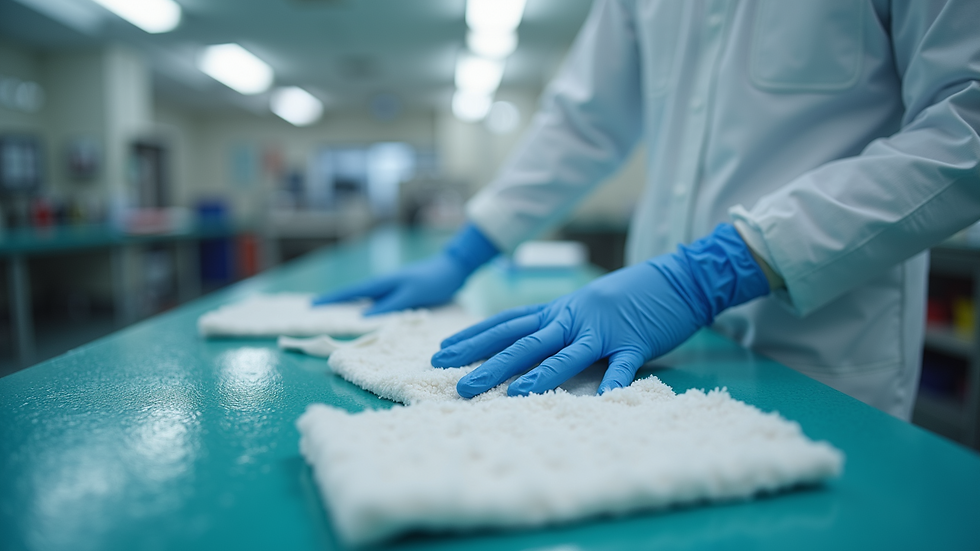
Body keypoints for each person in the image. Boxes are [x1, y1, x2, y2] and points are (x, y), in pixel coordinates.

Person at [314, 0, 980, 420]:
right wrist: (469, 248)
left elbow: (967, 121)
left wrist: (717, 269)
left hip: (823, 346)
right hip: (651, 348)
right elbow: (583, 121)